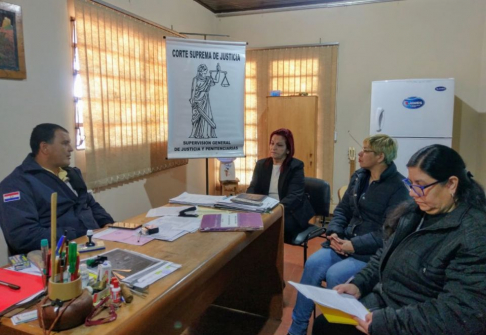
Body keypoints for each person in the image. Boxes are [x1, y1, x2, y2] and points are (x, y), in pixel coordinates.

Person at [312, 144, 486, 335]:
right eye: (411, 184)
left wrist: (387, 322)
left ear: (451, 184)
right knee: (324, 325)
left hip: (411, 322)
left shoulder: (474, 234)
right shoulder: (415, 213)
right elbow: (384, 254)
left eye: (420, 186)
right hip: (386, 306)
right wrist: (359, 284)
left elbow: (458, 314)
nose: (412, 193)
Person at [289, 134, 410, 335]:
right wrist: (335, 233)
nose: (360, 154)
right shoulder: (359, 177)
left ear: (380, 157)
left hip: (368, 252)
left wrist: (354, 245)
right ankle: (297, 329)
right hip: (343, 242)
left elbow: (388, 233)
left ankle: (332, 330)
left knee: (334, 274)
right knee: (312, 264)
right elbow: (342, 210)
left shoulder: (398, 188)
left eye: (365, 150)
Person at [0, 123, 114, 254]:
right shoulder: (16, 185)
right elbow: (23, 236)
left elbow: (90, 203)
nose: (71, 149)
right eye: (65, 143)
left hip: (94, 242)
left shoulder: (71, 174)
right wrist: (82, 234)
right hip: (59, 255)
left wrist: (107, 224)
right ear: (44, 148)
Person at [247, 128, 315, 243]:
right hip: (265, 208)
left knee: (269, 227)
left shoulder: (296, 166)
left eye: (279, 145)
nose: (273, 148)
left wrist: (273, 210)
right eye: (272, 143)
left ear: (288, 149)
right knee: (247, 223)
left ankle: (272, 259)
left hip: (289, 211)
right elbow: (252, 188)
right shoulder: (261, 164)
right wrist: (249, 202)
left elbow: (294, 196)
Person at [189, 63, 220, 139]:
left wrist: (218, 72)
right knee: (195, 118)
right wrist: (192, 99)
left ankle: (205, 133)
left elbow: (216, 80)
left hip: (205, 100)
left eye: (205, 72)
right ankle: (194, 134)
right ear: (199, 72)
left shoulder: (208, 79)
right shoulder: (195, 79)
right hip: (197, 100)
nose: (203, 74)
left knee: (207, 116)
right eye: (202, 72)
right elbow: (193, 90)